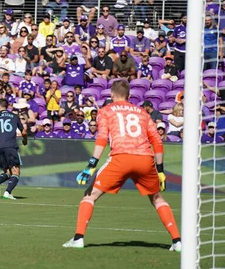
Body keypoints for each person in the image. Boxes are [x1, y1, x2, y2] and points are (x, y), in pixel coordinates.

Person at [62, 80, 180, 252]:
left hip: (121, 157)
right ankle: (177, 241)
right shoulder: (142, 112)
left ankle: (78, 238)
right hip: (145, 159)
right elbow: (157, 141)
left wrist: (91, 165)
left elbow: (102, 138)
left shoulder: (106, 111)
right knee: (157, 198)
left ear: (111, 94)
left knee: (90, 195)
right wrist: (160, 171)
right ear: (129, 96)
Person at [0, 98, 27, 200]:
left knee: (7, 172)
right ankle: (7, 192)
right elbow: (24, 131)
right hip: (10, 145)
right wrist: (25, 140)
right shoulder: (14, 116)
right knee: (16, 172)